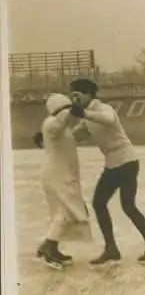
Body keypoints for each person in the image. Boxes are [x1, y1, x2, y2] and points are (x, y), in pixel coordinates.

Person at [68, 78, 145, 267]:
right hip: (113, 164)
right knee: (100, 203)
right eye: (72, 96)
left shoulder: (103, 108)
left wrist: (84, 113)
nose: (75, 99)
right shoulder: (86, 118)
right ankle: (112, 249)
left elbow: (109, 119)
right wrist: (48, 137)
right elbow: (73, 137)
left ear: (88, 94)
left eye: (77, 95)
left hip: (127, 161)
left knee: (127, 206)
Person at [35, 93, 92, 270]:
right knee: (66, 212)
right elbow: (60, 122)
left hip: (61, 175)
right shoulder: (52, 123)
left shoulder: (62, 128)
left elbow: (66, 127)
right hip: (57, 175)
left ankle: (53, 246)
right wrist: (71, 108)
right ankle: (48, 246)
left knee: (63, 212)